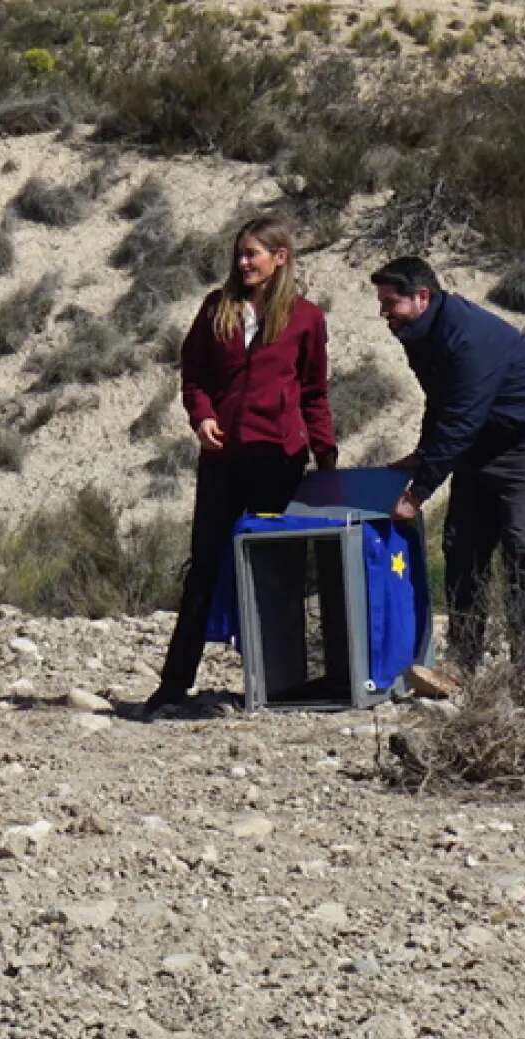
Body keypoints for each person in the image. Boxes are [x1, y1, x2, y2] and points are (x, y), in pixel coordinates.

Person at [139, 215, 336, 719]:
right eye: (240, 254)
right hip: (223, 459)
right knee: (203, 568)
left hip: (279, 458)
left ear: (280, 258)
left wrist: (325, 455)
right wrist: (201, 417)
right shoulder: (216, 308)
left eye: (254, 254)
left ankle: (276, 684)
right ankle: (173, 684)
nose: (244, 262)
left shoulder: (306, 318)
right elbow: (195, 377)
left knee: (275, 569)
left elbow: (313, 392)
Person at [370, 256, 525, 693]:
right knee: (462, 545)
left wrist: (417, 493)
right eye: (382, 304)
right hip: (485, 441)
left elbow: (462, 418)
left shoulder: (468, 338)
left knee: (523, 544)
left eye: (391, 303)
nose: (384, 314)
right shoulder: (418, 333)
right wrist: (423, 452)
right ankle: (461, 666)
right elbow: (441, 401)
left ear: (422, 297)